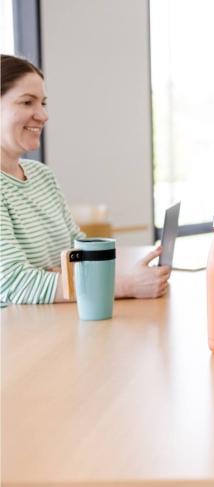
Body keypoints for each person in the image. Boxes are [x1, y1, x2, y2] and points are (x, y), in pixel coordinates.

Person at [1, 54, 170, 304]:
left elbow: (77, 251)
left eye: (43, 103)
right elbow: (14, 284)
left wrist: (123, 270)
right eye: (27, 102)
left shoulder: (41, 176)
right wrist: (124, 284)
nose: (43, 115)